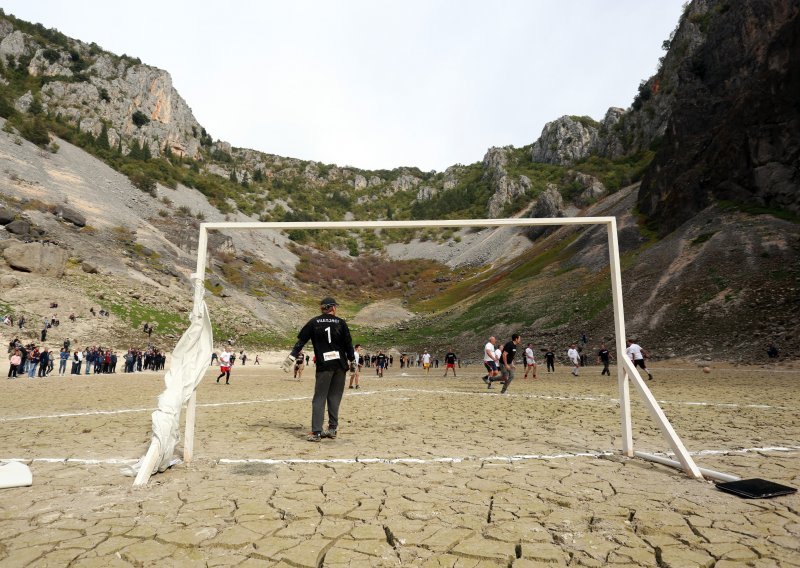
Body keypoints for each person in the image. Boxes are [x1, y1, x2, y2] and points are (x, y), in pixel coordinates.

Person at [282, 297, 354, 442]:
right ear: (333, 308)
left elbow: (301, 341)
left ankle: (317, 432)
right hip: (340, 365)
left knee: (319, 398)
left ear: (322, 308)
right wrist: (352, 360)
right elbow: (348, 344)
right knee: (334, 397)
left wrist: (292, 356)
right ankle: (332, 428)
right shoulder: (341, 323)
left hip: (324, 365)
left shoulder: (314, 322)